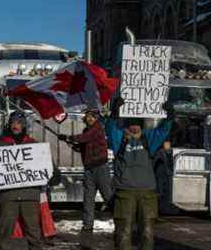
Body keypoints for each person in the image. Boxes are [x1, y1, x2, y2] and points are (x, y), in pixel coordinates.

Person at [105, 99, 173, 250]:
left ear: (141, 125)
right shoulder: (119, 138)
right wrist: (114, 114)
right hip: (125, 192)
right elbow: (110, 129)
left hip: (147, 192)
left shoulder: (149, 138)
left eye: (137, 123)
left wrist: (169, 116)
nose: (134, 127)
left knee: (147, 232)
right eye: (131, 123)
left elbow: (163, 130)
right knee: (123, 232)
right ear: (127, 125)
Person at [0, 110, 45, 250]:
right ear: (9, 125)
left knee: (34, 233)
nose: (15, 126)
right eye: (13, 123)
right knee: (4, 231)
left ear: (24, 125)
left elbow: (47, 166)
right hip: (9, 196)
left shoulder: (34, 145)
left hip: (30, 195)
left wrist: (52, 175)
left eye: (19, 123)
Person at [58, 109, 111, 235]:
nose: (90, 119)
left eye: (93, 117)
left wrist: (68, 137)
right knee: (88, 198)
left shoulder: (97, 128)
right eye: (88, 117)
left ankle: (122, 221)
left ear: (97, 119)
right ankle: (87, 225)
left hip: (100, 167)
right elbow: (83, 145)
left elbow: (86, 138)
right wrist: (73, 144)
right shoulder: (87, 130)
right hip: (89, 169)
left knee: (108, 196)